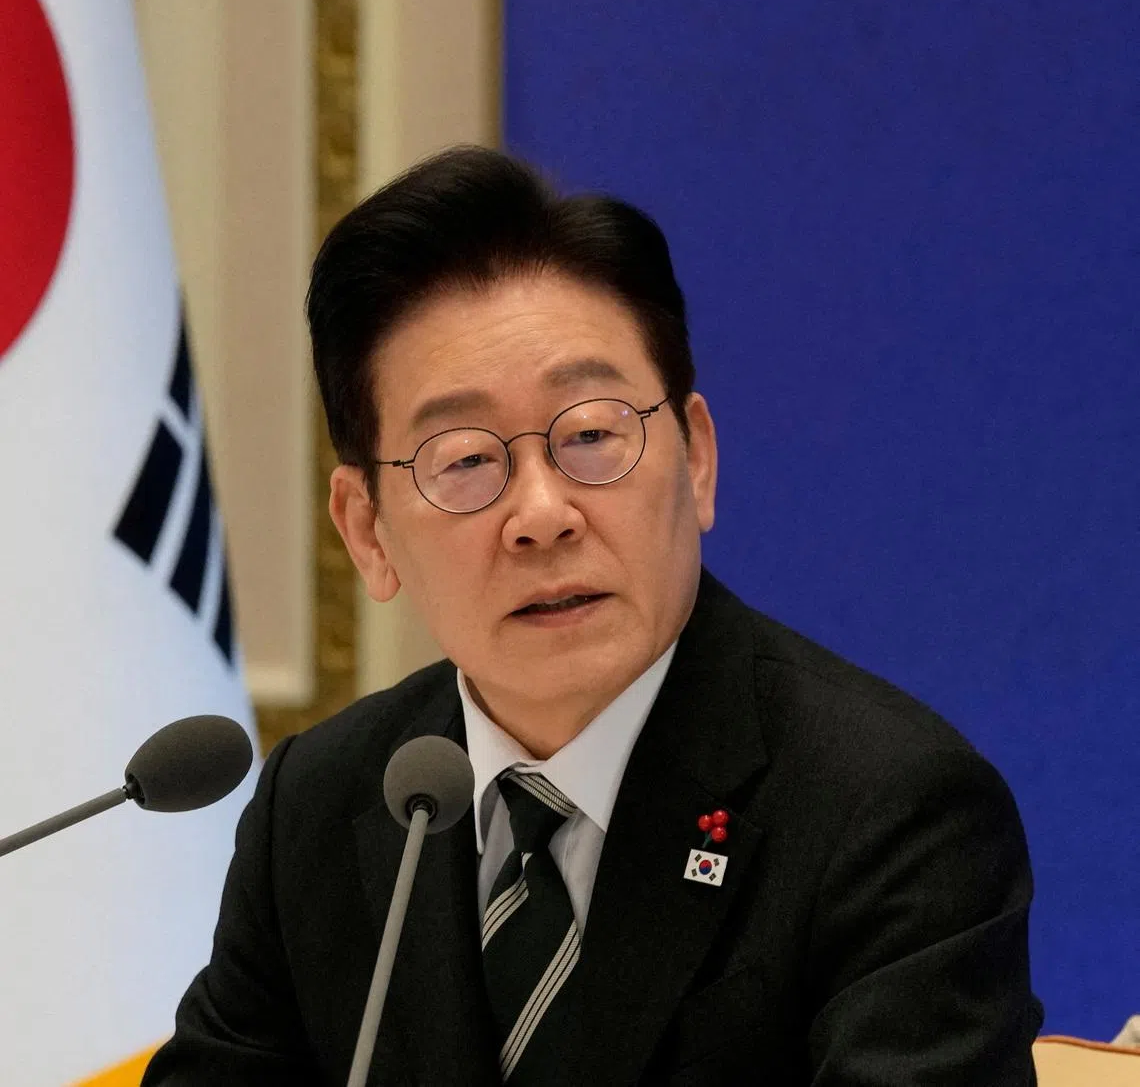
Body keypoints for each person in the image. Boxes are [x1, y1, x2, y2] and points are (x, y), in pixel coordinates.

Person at [143, 146, 1042, 1085]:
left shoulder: (890, 811)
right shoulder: (323, 805)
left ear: (695, 459)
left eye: (590, 436)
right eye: (464, 461)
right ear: (367, 531)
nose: (540, 514)